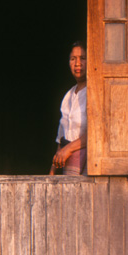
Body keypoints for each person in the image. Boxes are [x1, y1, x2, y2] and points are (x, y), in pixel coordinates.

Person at [51, 41, 87, 175]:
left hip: (88, 165)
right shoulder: (68, 96)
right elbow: (61, 139)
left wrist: (69, 149)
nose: (77, 63)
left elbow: (96, 134)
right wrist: (51, 174)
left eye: (83, 58)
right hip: (68, 165)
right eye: (73, 59)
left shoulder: (94, 92)